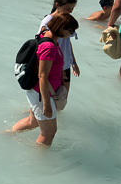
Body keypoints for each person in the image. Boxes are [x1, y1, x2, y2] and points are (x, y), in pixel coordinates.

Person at [9, 13, 79, 146]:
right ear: (60, 27)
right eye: (70, 31)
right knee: (48, 134)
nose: (71, 34)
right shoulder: (49, 47)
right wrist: (47, 104)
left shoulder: (47, 35)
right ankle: (39, 163)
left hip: (38, 92)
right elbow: (42, 75)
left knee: (33, 122)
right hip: (42, 94)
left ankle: (8, 134)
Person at [39, 0, 79, 104]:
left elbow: (67, 43)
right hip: (53, 65)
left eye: (72, 8)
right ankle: (34, 114)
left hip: (65, 64)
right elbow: (41, 43)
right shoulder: (47, 22)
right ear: (57, 5)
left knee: (62, 99)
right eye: (67, 8)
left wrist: (74, 63)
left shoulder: (66, 21)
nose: (70, 11)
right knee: (51, 100)